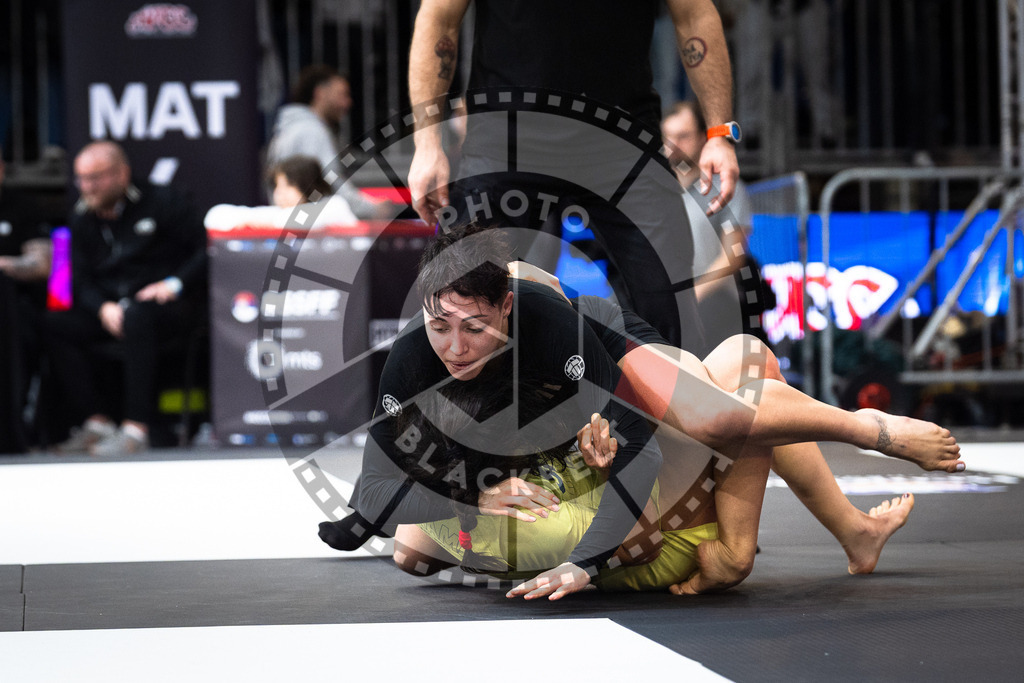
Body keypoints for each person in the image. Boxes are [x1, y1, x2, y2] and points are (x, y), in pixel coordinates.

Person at [322, 224, 963, 599]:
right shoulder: (415, 360)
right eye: (440, 329)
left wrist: (588, 536)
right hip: (560, 450)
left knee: (720, 410)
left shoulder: (545, 321)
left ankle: (876, 429)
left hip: (604, 346)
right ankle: (847, 532)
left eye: (474, 329)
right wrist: (463, 497)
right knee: (411, 545)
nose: (455, 348)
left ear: (506, 311)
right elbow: (371, 499)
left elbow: (635, 443)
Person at [406, 0, 742, 353]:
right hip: (507, 139)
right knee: (456, 292)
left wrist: (720, 132)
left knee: (669, 306)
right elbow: (439, 18)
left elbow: (695, 14)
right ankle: (459, 406)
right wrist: (427, 142)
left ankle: (663, 404)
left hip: (621, 140)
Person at [41, 141, 207, 456]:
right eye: (81, 179)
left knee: (138, 317)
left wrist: (173, 284)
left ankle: (135, 428)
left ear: (122, 174)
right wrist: (102, 308)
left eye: (96, 178)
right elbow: (77, 278)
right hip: (110, 309)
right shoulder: (80, 218)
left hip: (164, 306)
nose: (87, 187)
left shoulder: (163, 201)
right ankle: (97, 422)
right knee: (55, 323)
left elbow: (204, 251)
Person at [662, 99, 774, 345]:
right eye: (667, 137)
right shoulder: (653, 188)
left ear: (704, 137)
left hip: (717, 303)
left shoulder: (724, 187)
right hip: (665, 300)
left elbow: (733, 256)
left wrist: (693, 294)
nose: (673, 146)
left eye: (683, 136)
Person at [265, 64, 387, 219]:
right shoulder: (311, 131)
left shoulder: (293, 128)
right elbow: (331, 180)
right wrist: (372, 209)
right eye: (341, 94)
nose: (347, 103)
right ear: (320, 94)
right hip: (307, 229)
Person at [0, 147, 54, 453]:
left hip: (15, 308)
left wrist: (4, 264)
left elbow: (44, 265)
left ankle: (14, 428)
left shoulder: (22, 207)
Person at [267, 155, 333, 209]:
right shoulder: (277, 213)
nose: (280, 192)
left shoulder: (332, 207)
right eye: (277, 185)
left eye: (289, 184)